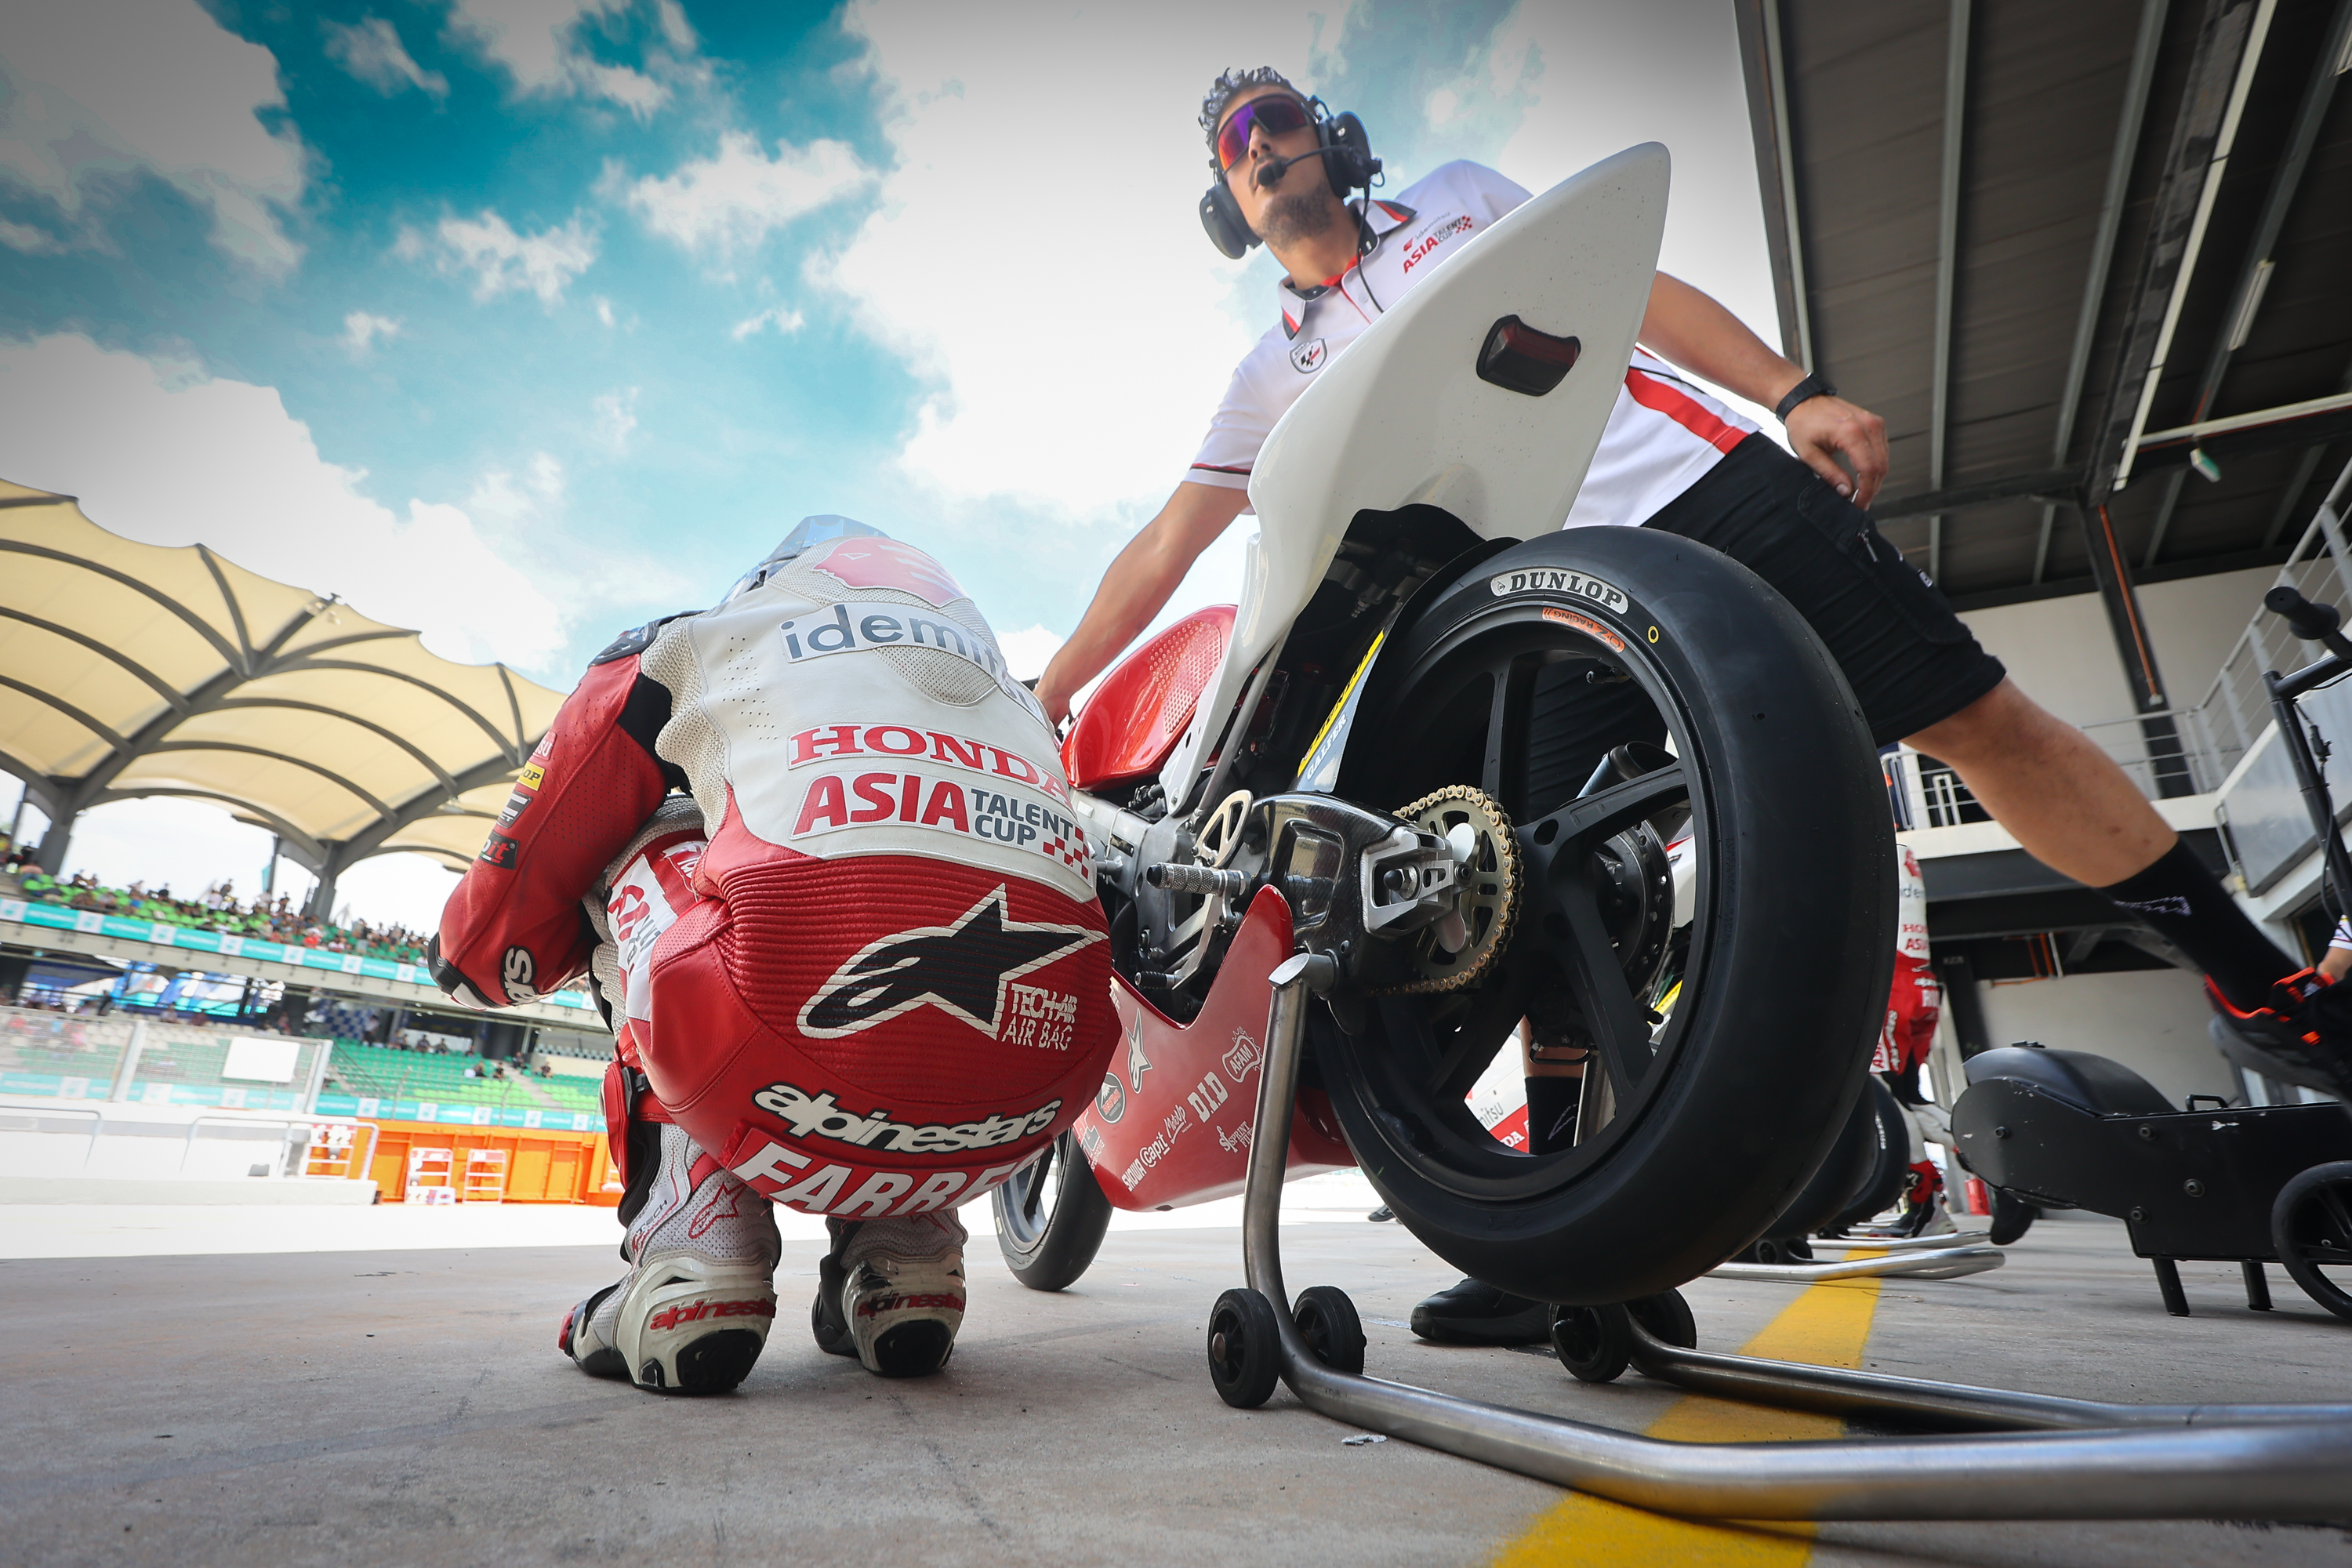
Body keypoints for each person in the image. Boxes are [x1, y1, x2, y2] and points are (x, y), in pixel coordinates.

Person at [1036, 66, 2324, 1345]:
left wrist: (1792, 392)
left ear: (1331, 139)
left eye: (1274, 122)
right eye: (1234, 149)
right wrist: (1049, 689)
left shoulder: (1459, 197)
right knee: (1530, 897)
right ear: (1227, 206)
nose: (1259, 150)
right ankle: (1554, 1234)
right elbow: (1167, 546)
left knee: (1969, 716)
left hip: (1698, 489)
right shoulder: (1273, 371)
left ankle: (2264, 989)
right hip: (1529, 601)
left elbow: (1639, 295)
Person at [433, 517, 1119, 1392]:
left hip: (779, 1061)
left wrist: (481, 956)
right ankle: (909, 1253)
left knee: (646, 833)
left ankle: (700, 1246)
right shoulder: (1021, 702)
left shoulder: (702, 639)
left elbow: (492, 934)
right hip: (1037, 1105)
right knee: (947, 873)